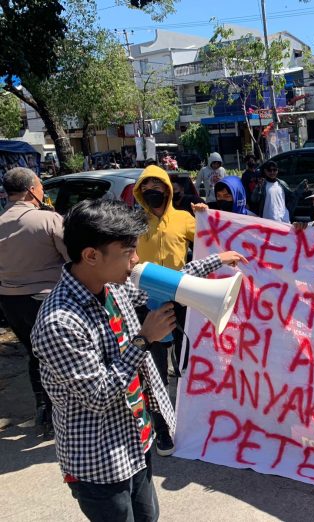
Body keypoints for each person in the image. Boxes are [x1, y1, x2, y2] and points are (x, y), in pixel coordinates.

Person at [31, 198, 247, 522]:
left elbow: (169, 283)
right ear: (91, 255)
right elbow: (100, 396)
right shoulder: (58, 323)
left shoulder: (112, 286)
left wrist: (215, 262)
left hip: (137, 441)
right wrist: (144, 340)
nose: (135, 261)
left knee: (149, 516)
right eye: (127, 252)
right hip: (101, 463)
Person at [132, 165, 204, 456]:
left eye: (158, 186)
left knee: (187, 361)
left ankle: (190, 418)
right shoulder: (135, 221)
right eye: (146, 187)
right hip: (146, 303)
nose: (153, 191)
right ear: (140, 192)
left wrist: (207, 216)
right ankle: (162, 427)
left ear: (168, 189)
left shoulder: (184, 218)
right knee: (155, 367)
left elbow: (212, 239)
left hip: (183, 299)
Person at [0, 167, 69, 437]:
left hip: (10, 302)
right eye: (40, 186)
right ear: (31, 190)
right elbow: (72, 258)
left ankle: (42, 407)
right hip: (46, 300)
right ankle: (60, 411)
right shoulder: (48, 220)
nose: (42, 191)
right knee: (57, 357)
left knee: (34, 354)